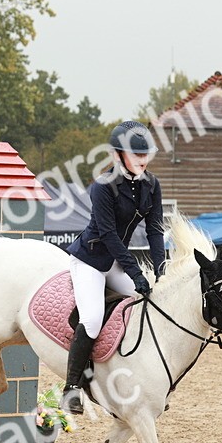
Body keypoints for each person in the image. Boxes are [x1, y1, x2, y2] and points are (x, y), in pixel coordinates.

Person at [62, 120, 166, 414]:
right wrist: (135, 272)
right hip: (91, 260)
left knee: (149, 302)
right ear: (118, 155)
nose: (143, 162)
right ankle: (71, 389)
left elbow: (155, 229)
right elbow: (108, 235)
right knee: (93, 318)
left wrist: (160, 266)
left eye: (146, 155)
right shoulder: (103, 186)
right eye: (136, 156)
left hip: (117, 262)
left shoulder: (152, 185)